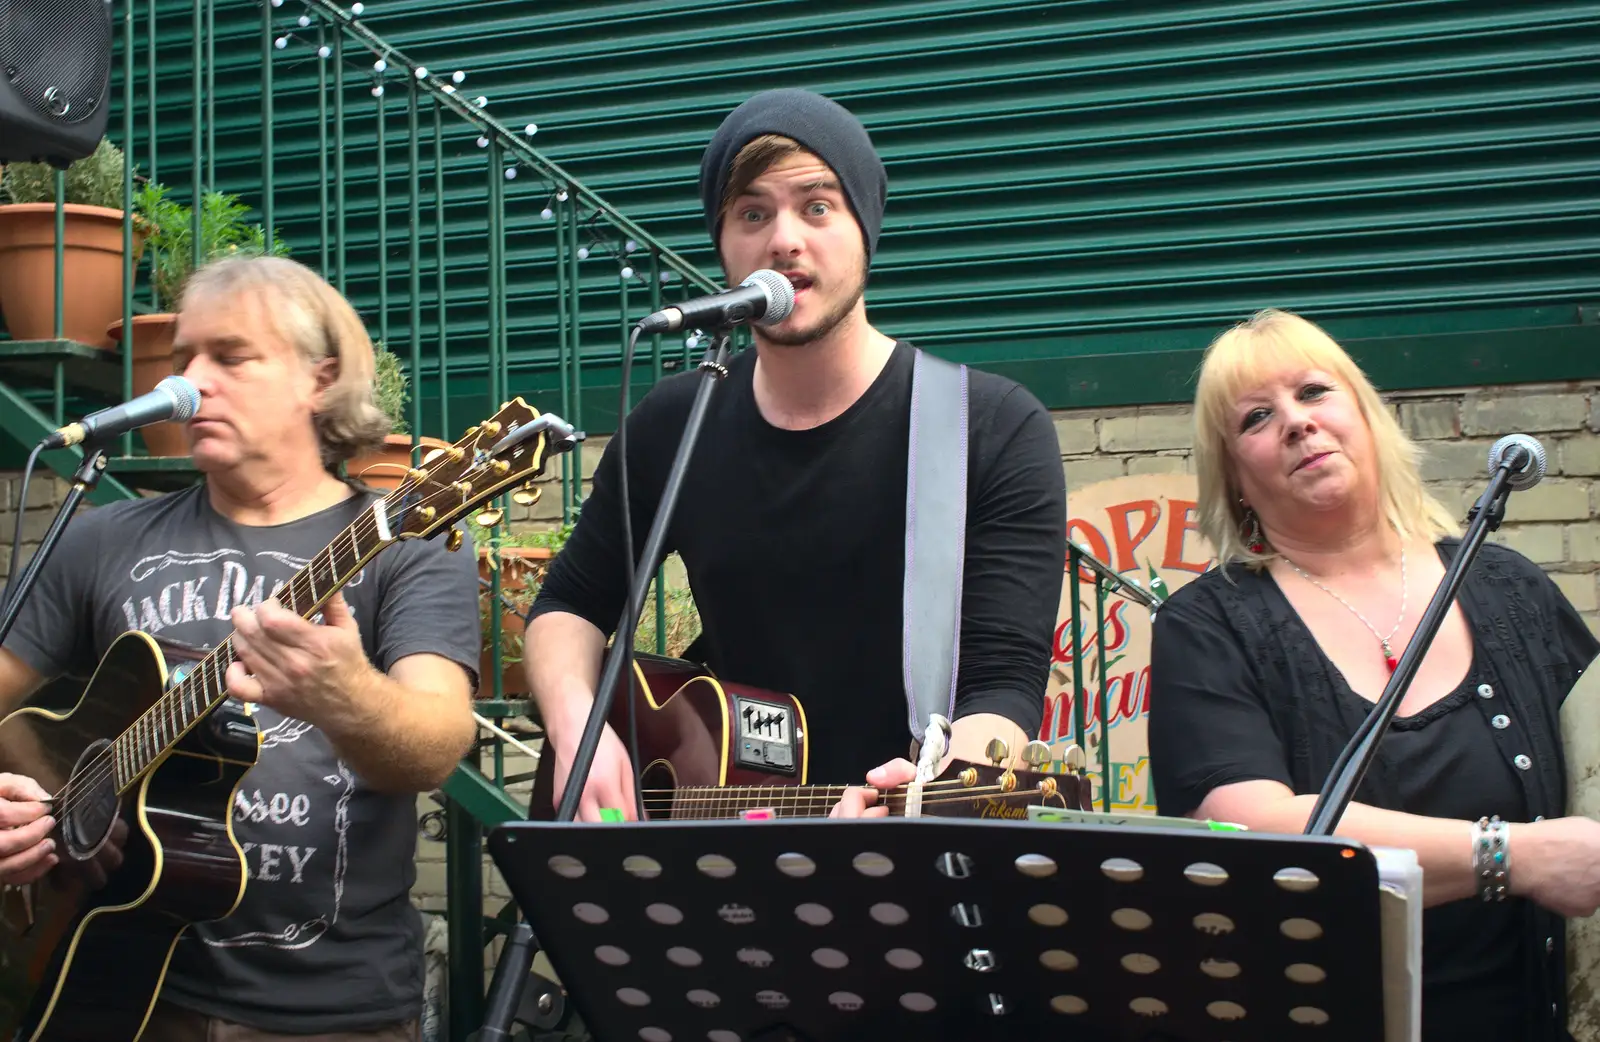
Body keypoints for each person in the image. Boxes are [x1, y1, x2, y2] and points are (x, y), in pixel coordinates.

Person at [525, 87, 1066, 820]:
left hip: (898, 851)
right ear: (724, 246)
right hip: (712, 849)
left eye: (817, 207)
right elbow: (569, 605)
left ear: (864, 230)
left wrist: (921, 802)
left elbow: (1003, 683)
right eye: (752, 213)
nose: (784, 240)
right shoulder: (676, 421)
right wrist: (581, 734)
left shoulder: (990, 427)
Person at [0, 255, 481, 1039]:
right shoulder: (99, 539)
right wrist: (17, 804)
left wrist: (346, 696)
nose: (190, 381)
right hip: (108, 977)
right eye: (183, 356)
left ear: (318, 380)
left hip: (332, 1007)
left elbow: (434, 744)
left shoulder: (412, 546)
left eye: (230, 357)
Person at [1146, 307, 1600, 1042]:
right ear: (1234, 477)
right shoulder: (1208, 624)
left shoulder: (1508, 587)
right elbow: (1247, 828)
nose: (1297, 423)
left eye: (1315, 392)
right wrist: (1510, 856)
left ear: (1369, 415)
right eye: (1258, 417)